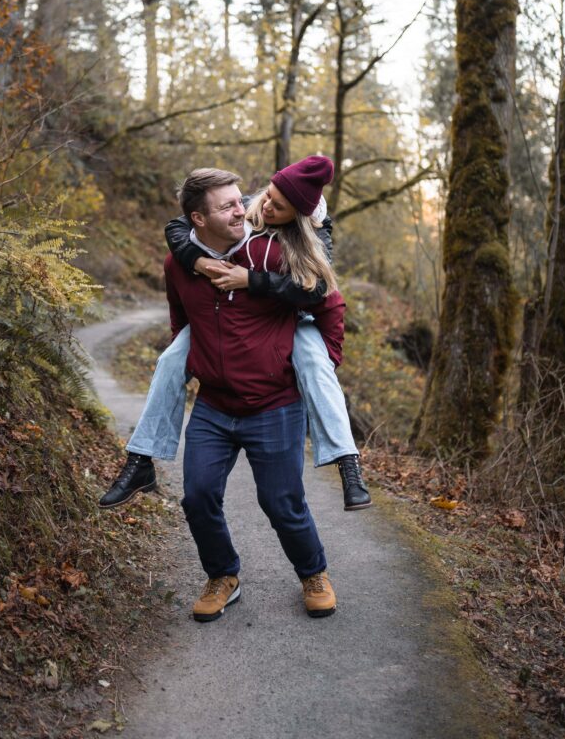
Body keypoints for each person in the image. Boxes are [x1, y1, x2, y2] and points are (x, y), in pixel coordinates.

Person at [99, 156, 371, 513]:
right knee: (170, 360)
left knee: (317, 366)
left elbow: (319, 292)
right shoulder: (247, 206)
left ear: (299, 217)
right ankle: (141, 460)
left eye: (279, 206)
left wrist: (251, 281)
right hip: (232, 320)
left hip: (294, 316)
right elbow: (178, 229)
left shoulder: (314, 235)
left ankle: (347, 465)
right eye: (269, 195)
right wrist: (196, 261)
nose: (266, 206)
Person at [144, 167, 337, 620]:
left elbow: (323, 294)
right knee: (198, 495)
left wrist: (325, 361)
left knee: (281, 502)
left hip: (275, 404)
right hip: (213, 405)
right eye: (228, 205)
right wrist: (193, 364)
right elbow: (180, 319)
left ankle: (313, 572)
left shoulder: (270, 253)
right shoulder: (180, 264)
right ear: (197, 219)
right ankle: (223, 575)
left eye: (240, 200)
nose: (245, 209)